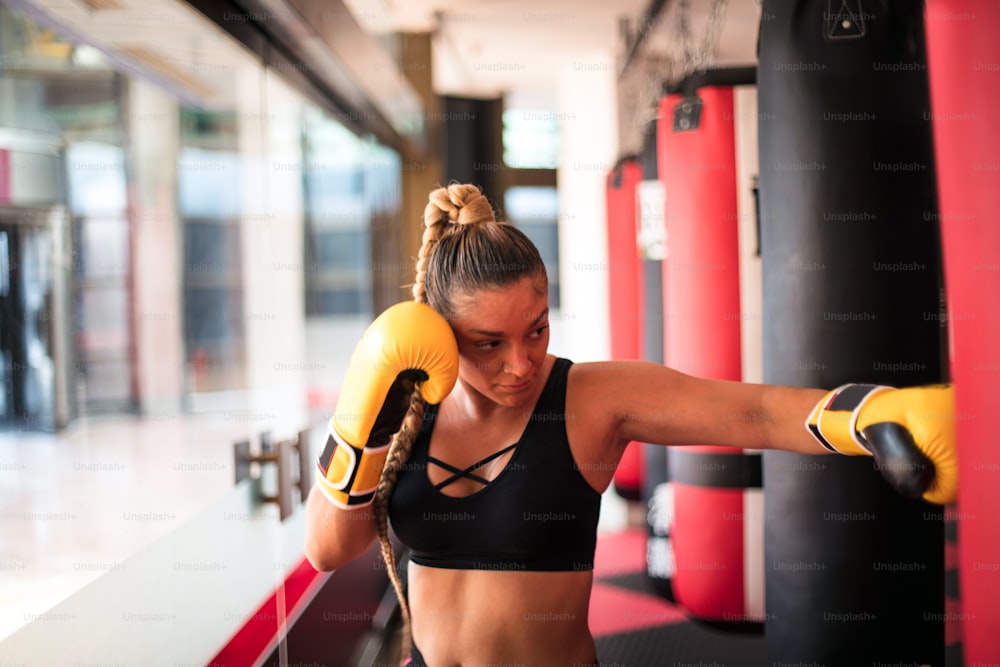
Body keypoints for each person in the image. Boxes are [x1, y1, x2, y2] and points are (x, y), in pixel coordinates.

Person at [303, 183, 956, 667]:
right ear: (440, 332)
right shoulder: (407, 411)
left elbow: (751, 410)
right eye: (488, 343)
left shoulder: (590, 397)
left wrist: (871, 413)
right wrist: (366, 420)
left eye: (537, 329)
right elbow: (328, 549)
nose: (520, 363)